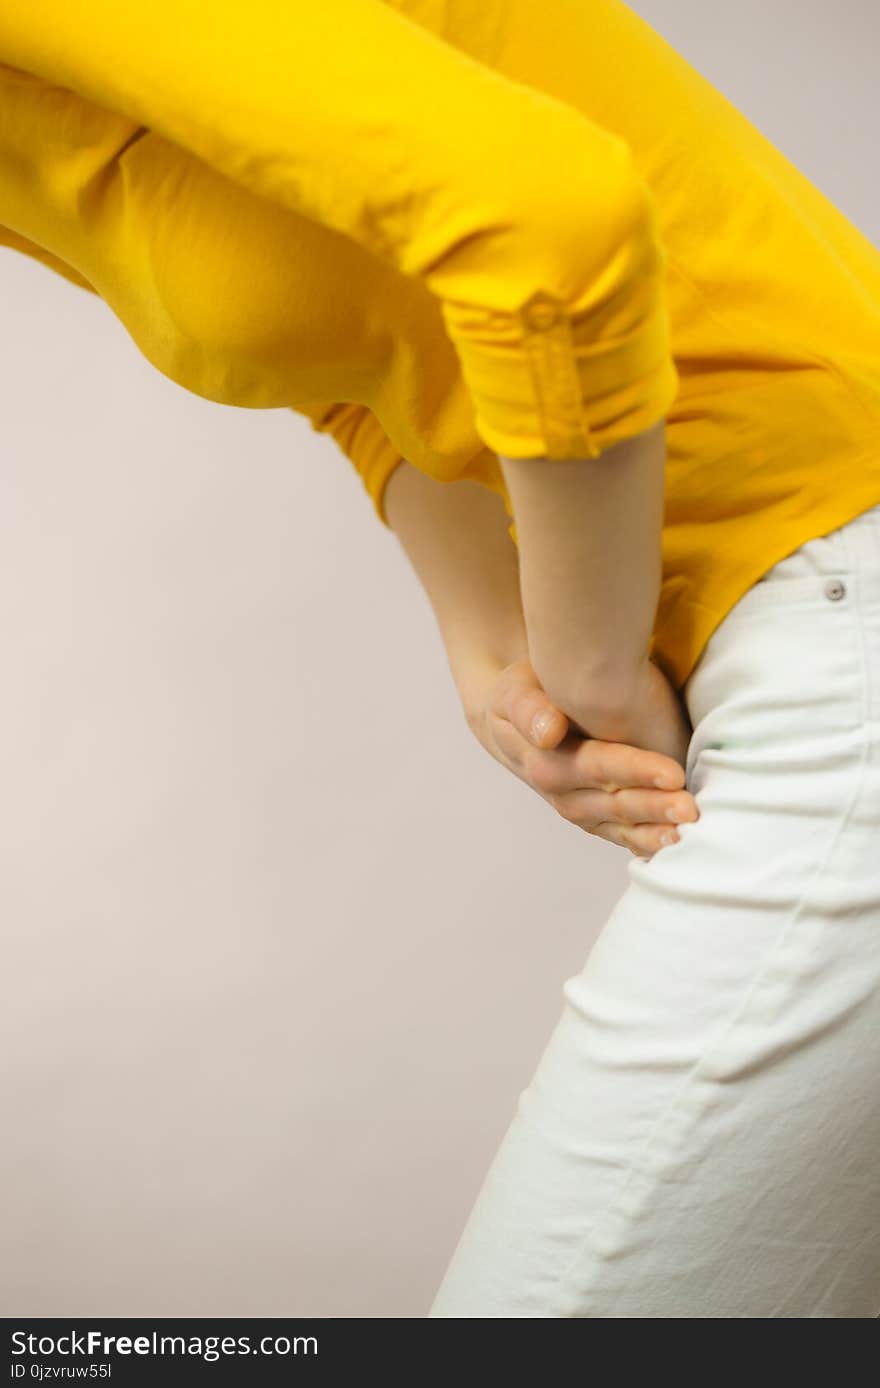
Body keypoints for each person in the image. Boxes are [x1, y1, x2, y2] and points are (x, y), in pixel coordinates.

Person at [2, 0, 880, 1316]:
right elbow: (354, 341)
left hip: (835, 598)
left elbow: (547, 230)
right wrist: (496, 643)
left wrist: (590, 660)